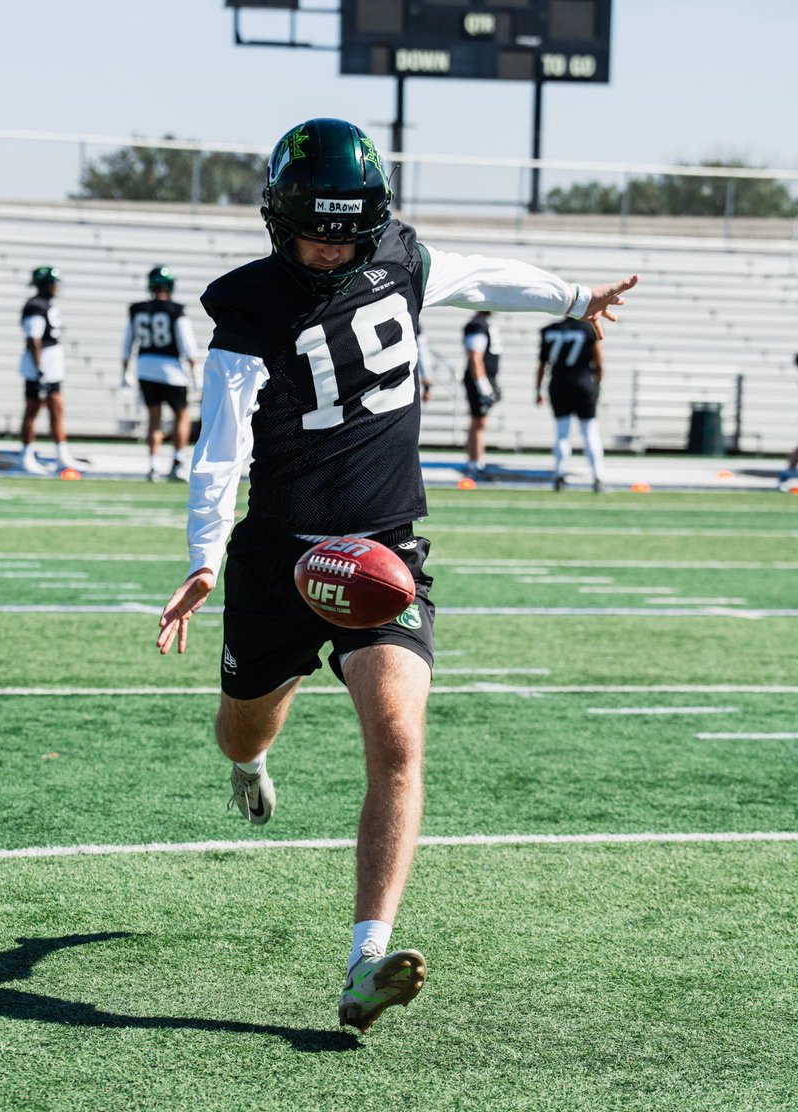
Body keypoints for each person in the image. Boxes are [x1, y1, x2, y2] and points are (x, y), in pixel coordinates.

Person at [156, 117, 637, 1034]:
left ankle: (365, 960)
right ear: (277, 220)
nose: (333, 248)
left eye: (348, 230)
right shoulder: (248, 306)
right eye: (315, 231)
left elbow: (481, 274)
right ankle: (252, 762)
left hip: (384, 548)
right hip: (280, 555)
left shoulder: (404, 258)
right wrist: (204, 558)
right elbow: (221, 449)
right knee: (238, 729)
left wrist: (573, 297)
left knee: (399, 739)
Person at [121, 265, 198, 482]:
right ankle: (177, 462)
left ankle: (154, 465)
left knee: (154, 418)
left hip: (145, 367)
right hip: (172, 369)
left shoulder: (137, 310)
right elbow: (188, 346)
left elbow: (128, 344)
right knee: (182, 415)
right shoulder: (176, 310)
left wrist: (125, 372)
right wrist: (194, 375)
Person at [18, 266, 79, 474]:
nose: (55, 287)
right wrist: (39, 368)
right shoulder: (35, 306)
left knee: (56, 408)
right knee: (32, 410)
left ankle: (62, 454)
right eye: (52, 283)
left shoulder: (46, 305)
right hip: (41, 364)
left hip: (51, 364)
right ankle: (26, 455)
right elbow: (34, 339)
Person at [536, 313, 606, 492]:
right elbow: (598, 362)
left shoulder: (550, 330)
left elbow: (542, 365)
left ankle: (559, 475)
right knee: (589, 431)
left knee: (561, 432)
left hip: (558, 384)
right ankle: (598, 477)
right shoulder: (586, 329)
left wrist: (538, 390)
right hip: (583, 383)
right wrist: (597, 385)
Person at [461, 310, 501, 479]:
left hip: (483, 379)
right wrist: (483, 386)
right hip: (478, 381)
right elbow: (475, 359)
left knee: (478, 423)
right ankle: (476, 464)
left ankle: (475, 462)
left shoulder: (483, 325)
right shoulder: (477, 326)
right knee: (479, 423)